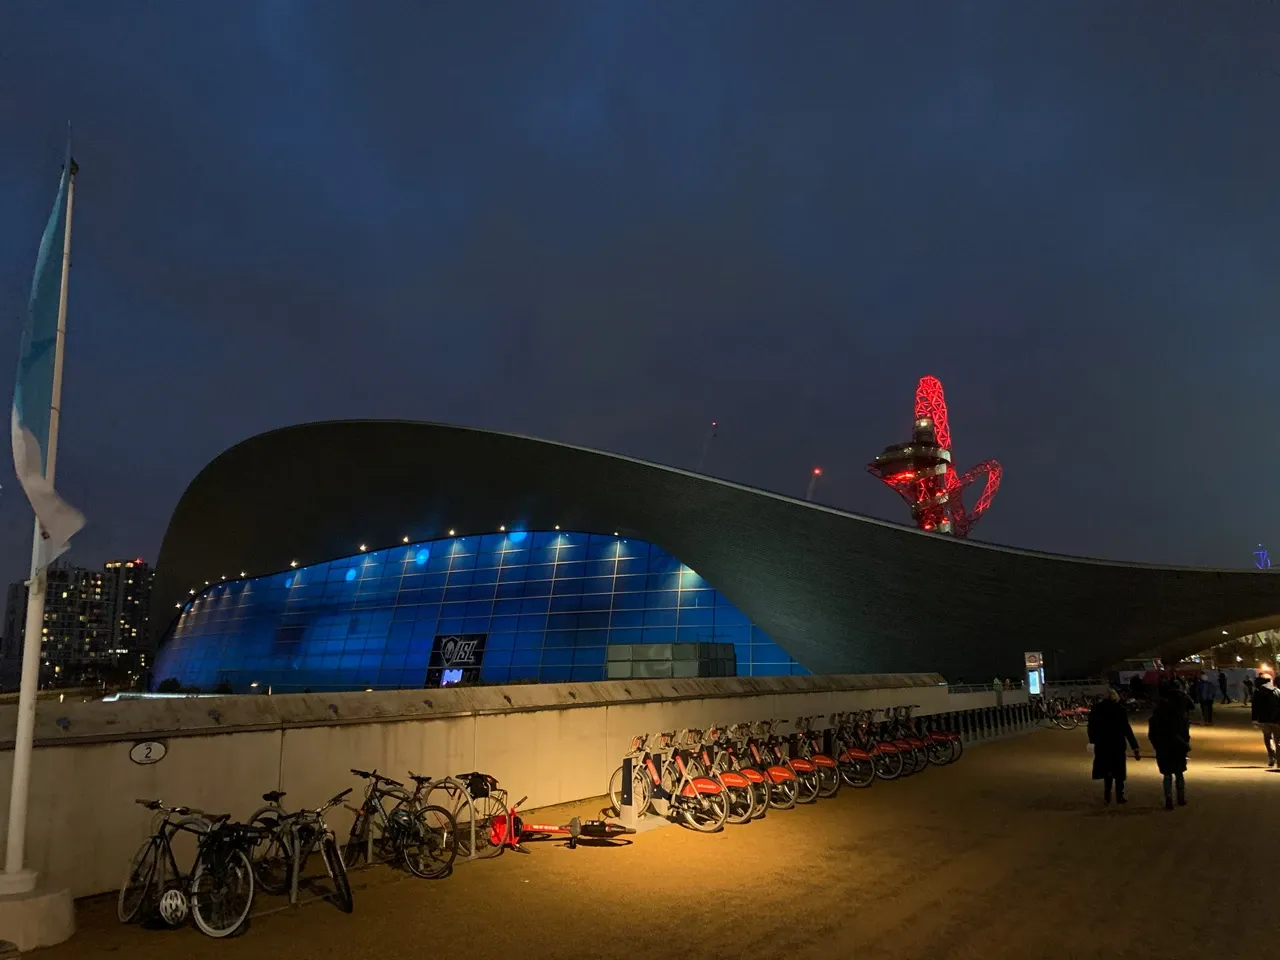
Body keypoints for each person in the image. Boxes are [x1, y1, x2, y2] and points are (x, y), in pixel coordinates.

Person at [1087, 688, 1140, 804]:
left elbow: (1091, 727)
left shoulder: (1097, 709)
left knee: (1107, 770)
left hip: (1103, 743)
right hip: (1117, 743)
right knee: (1119, 770)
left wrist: (1092, 741)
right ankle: (1119, 795)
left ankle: (1107, 795)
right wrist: (1134, 747)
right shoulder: (1119, 709)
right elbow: (1126, 729)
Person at [1148, 684, 1191, 810]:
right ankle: (1181, 798)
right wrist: (1185, 744)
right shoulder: (1178, 716)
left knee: (1167, 775)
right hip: (1177, 747)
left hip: (1163, 749)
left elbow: (1151, 735)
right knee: (1179, 774)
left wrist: (1157, 746)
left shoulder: (1154, 719)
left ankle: (1168, 800)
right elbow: (1185, 732)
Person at [1251, 673, 1280, 766]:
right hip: (1277, 720)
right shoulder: (1277, 691)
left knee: (1267, 739)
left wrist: (1254, 719)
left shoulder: (1257, 692)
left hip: (1263, 720)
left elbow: (1254, 707)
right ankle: (1279, 760)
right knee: (1278, 740)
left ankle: (1271, 757)